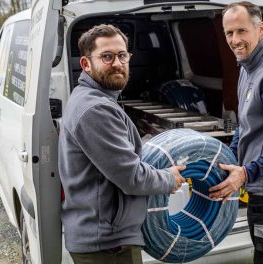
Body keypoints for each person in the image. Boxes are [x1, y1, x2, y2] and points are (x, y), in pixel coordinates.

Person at [58, 24, 186, 264]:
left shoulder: (95, 99)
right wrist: (169, 178)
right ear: (86, 64)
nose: (117, 63)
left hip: (104, 239)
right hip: (107, 246)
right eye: (106, 56)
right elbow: (132, 177)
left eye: (122, 55)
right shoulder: (96, 109)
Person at [209, 2, 263, 263]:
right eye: (229, 33)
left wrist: (247, 172)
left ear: (260, 29)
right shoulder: (247, 67)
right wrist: (230, 164)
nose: (235, 40)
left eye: (241, 31)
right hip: (261, 189)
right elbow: (245, 126)